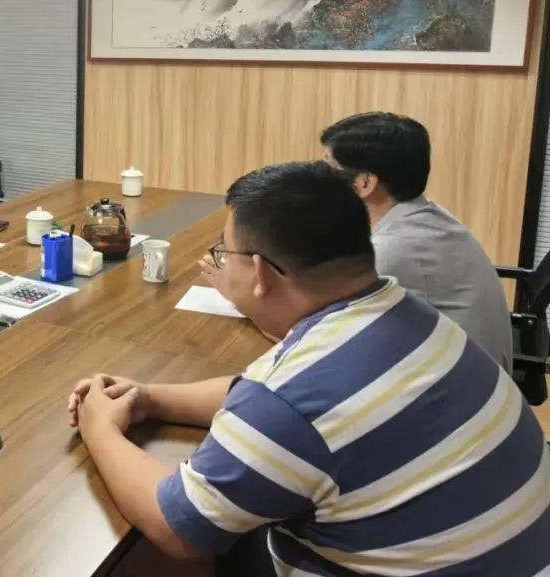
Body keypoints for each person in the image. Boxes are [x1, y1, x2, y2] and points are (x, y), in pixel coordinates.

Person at [67, 162, 550, 576]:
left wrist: (99, 426)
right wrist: (150, 398)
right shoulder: (407, 315)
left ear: (261, 273)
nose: (220, 264)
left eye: (224, 254)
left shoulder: (290, 396)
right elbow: (269, 399)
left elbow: (178, 528)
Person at [321, 111, 512, 372]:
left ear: (365, 183)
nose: (320, 179)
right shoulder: (423, 215)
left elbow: (329, 330)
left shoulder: (395, 247)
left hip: (457, 387)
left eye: (329, 169)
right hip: (471, 375)